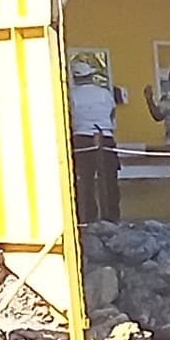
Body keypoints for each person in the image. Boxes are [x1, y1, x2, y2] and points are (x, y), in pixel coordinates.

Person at [69, 55, 122, 226]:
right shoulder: (104, 93)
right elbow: (112, 113)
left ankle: (88, 217)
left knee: (85, 181)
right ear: (91, 76)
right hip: (105, 137)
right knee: (109, 179)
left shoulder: (71, 95)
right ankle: (112, 217)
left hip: (81, 138)